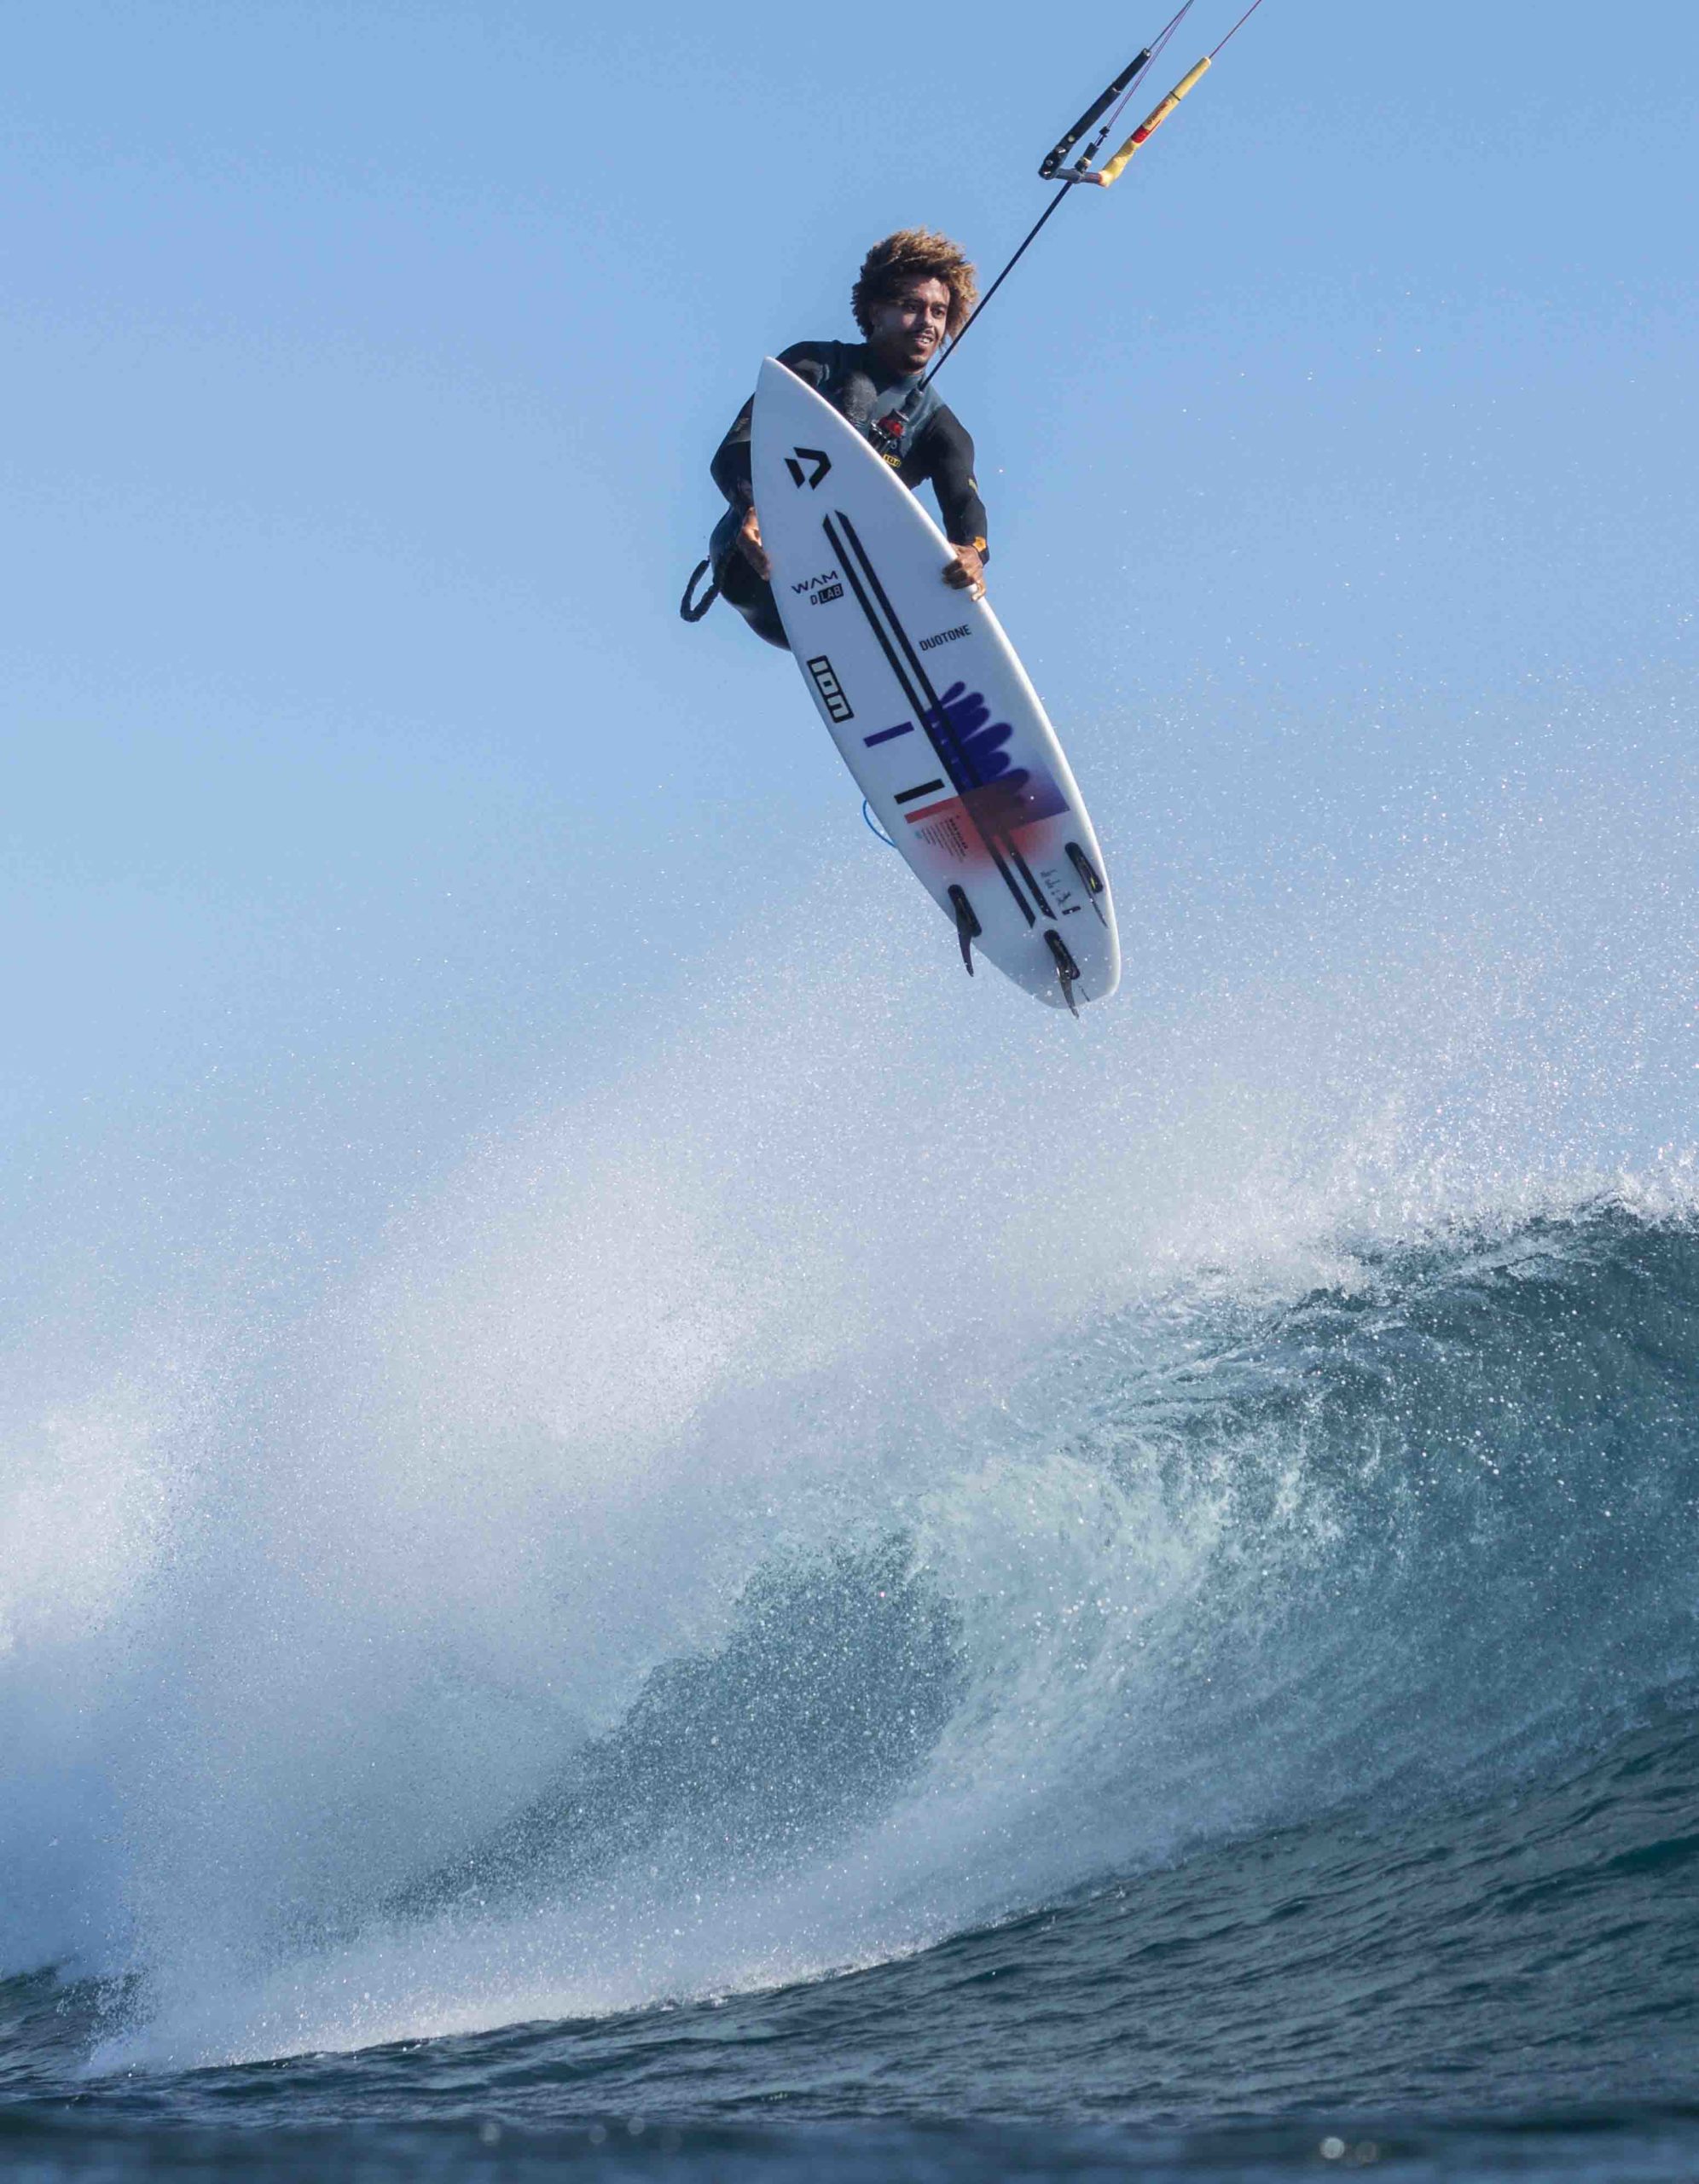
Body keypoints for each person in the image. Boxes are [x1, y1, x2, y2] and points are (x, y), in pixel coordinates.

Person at [687, 229, 991, 649]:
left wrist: (973, 555)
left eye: (939, 312)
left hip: (847, 591)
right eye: (911, 307)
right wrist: (754, 507)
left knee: (927, 556)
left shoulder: (940, 429)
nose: (928, 323)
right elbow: (735, 448)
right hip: (754, 567)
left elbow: (965, 507)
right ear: (875, 310)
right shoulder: (816, 364)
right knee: (858, 391)